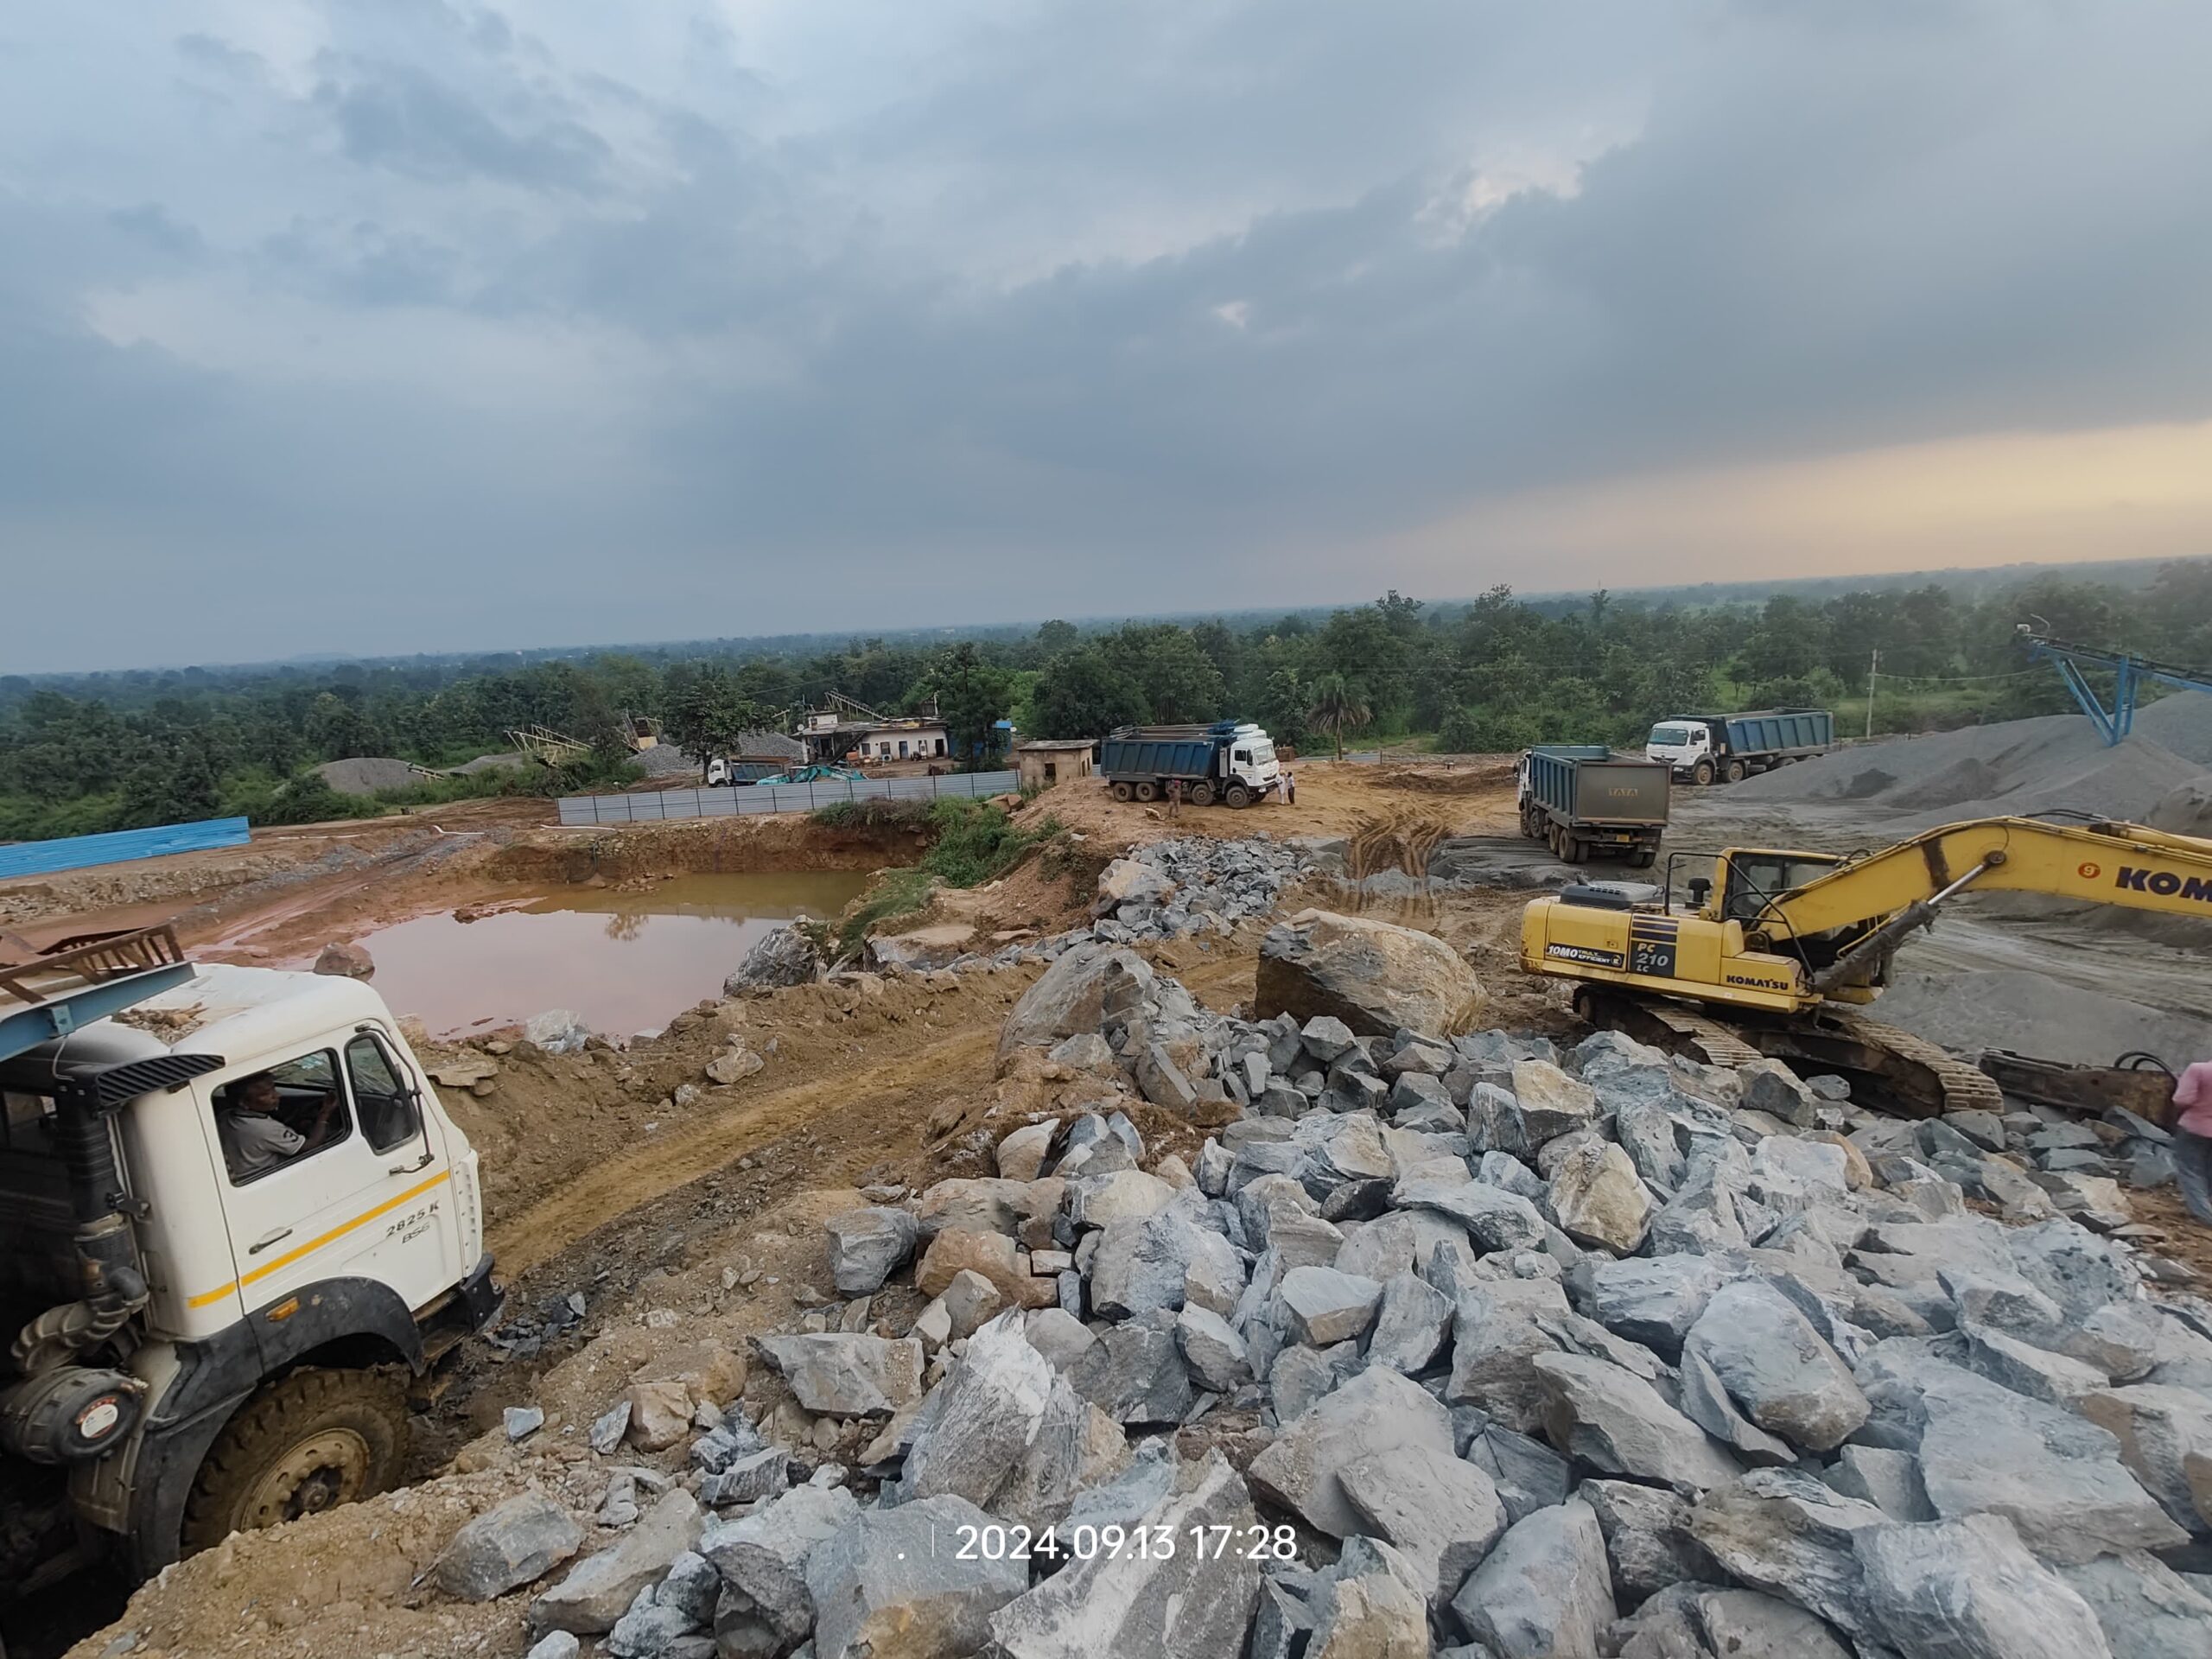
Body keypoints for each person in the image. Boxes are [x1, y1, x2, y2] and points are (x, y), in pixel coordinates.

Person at [219, 1071, 340, 1179]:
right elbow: (311, 1146)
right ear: (244, 1103)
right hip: (268, 1174)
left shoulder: (226, 1116)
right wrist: (325, 1114)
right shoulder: (265, 1129)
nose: (277, 1095)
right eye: (265, 1094)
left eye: (273, 1089)